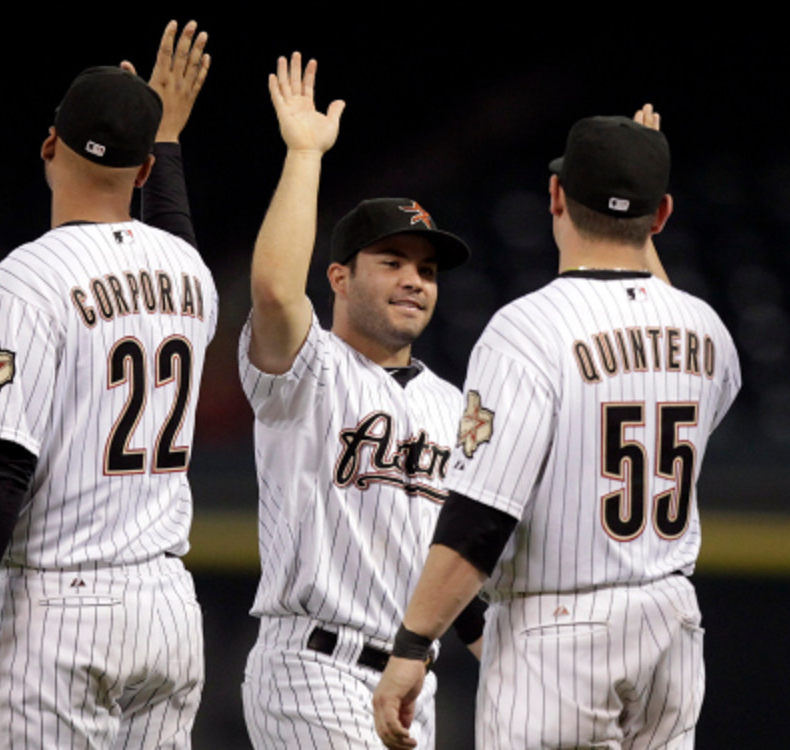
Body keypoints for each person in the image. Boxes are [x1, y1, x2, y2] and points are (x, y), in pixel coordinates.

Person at [373, 106, 742, 749]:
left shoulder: (526, 330)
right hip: (671, 623)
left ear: (555, 196)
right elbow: (651, 318)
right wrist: (638, 185)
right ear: (660, 217)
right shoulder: (707, 330)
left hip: (560, 628)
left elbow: (480, 517)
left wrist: (413, 645)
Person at [0, 21, 216, 749]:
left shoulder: (30, 278)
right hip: (167, 606)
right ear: (141, 174)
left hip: (58, 609)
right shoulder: (191, 274)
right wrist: (165, 141)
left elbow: (2, 469)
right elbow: (174, 232)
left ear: (49, 146)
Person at [239, 52, 485, 750]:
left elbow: (458, 567)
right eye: (393, 262)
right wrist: (305, 154)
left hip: (410, 683)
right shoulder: (308, 369)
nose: (415, 281)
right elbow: (275, 293)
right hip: (313, 666)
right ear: (340, 277)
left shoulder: (452, 405)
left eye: (427, 270)